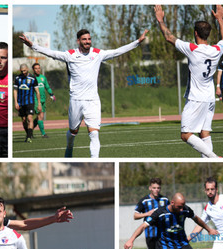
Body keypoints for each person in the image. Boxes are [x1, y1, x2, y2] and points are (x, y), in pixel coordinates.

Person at [19, 28, 148, 158]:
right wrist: (32, 45)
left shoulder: (97, 53)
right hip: (76, 100)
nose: (87, 42)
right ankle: (69, 148)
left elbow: (117, 51)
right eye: (84, 39)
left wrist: (137, 42)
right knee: (73, 132)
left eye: (89, 39)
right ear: (78, 41)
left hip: (92, 100)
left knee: (94, 133)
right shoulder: (70, 55)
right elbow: (51, 53)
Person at [154, 5, 223, 158]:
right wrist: (220, 19)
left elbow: (169, 37)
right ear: (208, 34)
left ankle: (214, 158)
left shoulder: (192, 49)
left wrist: (160, 20)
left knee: (185, 134)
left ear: (196, 33)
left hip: (196, 99)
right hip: (210, 98)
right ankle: (210, 161)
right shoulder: (216, 50)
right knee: (205, 134)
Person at [134, 178, 169, 249]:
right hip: (149, 234)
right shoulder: (144, 201)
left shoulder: (165, 200)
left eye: (158, 188)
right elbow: (135, 215)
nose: (156, 190)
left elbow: (170, 212)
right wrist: (147, 213)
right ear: (150, 188)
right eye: (154, 187)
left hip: (162, 234)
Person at [13, 64, 42, 143]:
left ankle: (29, 137)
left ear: (27, 69)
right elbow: (15, 91)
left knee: (30, 118)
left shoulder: (33, 78)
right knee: (24, 120)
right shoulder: (17, 78)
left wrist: (39, 103)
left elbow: (37, 92)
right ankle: (28, 134)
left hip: (30, 102)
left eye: (25, 71)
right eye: (22, 71)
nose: (23, 72)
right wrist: (15, 102)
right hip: (21, 102)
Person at [32, 63, 56, 138]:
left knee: (39, 117)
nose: (38, 70)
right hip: (36, 100)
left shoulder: (43, 78)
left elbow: (47, 87)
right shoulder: (32, 78)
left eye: (39, 68)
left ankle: (30, 129)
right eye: (36, 68)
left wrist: (51, 94)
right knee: (40, 116)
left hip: (43, 100)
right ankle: (43, 134)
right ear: (33, 70)